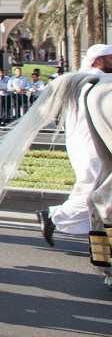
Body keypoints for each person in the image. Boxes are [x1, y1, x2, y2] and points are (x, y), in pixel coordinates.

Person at [38, 43, 112, 246]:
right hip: (90, 142)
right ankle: (54, 217)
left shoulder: (85, 81)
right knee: (94, 187)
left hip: (90, 140)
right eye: (111, 58)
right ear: (98, 60)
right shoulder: (94, 82)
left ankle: (98, 241)